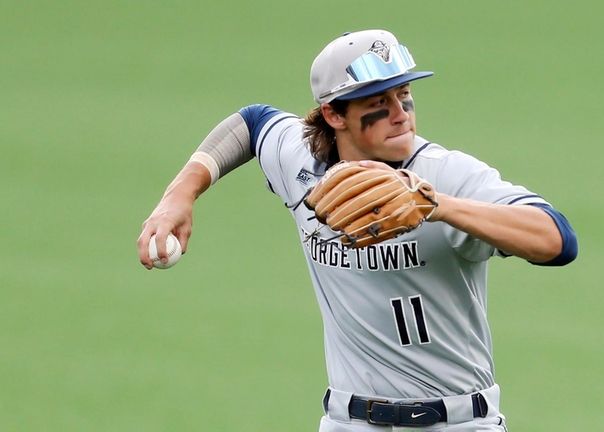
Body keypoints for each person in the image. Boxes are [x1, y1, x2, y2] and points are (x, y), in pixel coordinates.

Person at [137, 29, 577, 431]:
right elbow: (253, 123)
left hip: (457, 420)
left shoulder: (448, 175)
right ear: (333, 114)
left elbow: (557, 240)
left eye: (404, 95)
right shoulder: (304, 164)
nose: (400, 114)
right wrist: (180, 195)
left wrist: (438, 206)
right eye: (378, 105)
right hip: (350, 421)